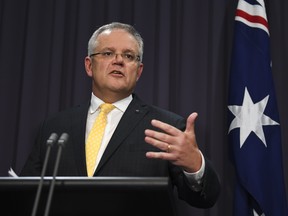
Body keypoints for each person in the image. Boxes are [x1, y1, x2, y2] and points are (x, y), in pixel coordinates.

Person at [21, 22, 220, 209]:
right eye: (108, 53)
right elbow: (24, 196)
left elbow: (204, 199)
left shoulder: (166, 127)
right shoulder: (55, 127)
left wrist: (195, 165)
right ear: (89, 65)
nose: (118, 60)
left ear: (139, 71)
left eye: (129, 56)